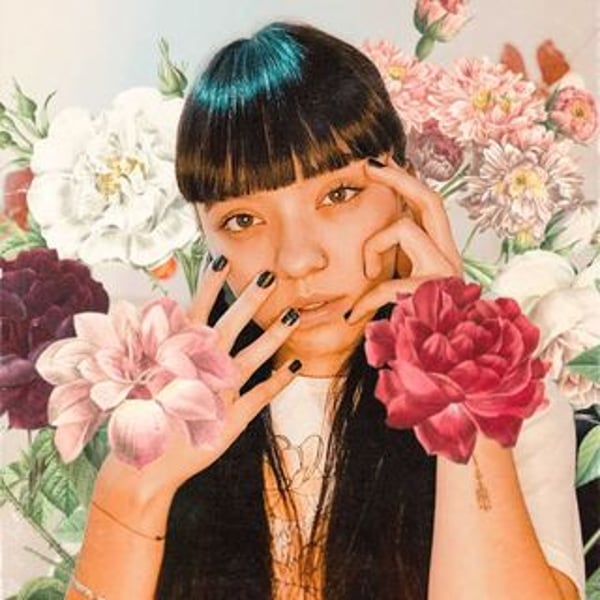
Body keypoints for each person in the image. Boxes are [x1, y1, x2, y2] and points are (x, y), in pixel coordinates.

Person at [65, 21, 585, 600]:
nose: (298, 259)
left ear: (408, 192)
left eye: (338, 195)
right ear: (206, 237)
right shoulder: (158, 415)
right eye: (243, 220)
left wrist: (456, 381)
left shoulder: (516, 406)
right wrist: (131, 494)